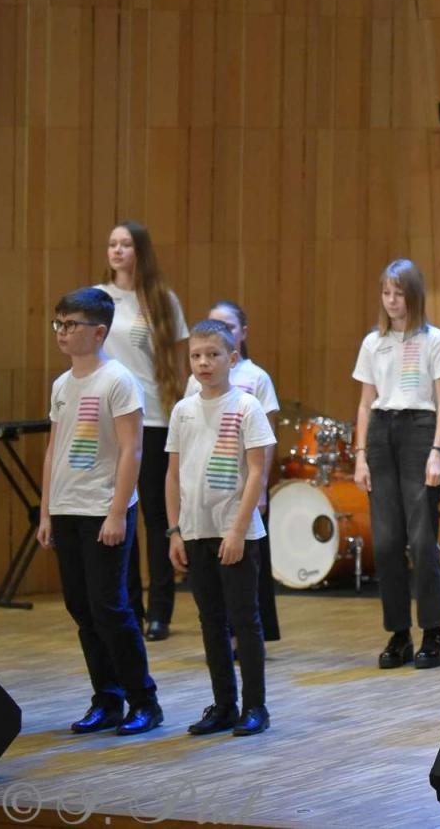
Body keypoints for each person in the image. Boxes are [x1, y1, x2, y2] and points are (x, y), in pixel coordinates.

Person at [37, 286, 162, 736]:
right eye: (59, 324)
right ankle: (106, 699)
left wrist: (116, 513)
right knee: (82, 609)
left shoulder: (117, 380)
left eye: (71, 325)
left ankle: (143, 700)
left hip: (103, 510)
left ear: (99, 331)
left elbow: (132, 450)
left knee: (111, 606)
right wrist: (46, 512)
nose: (62, 333)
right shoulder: (61, 385)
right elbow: (54, 449)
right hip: (67, 508)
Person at [165, 320, 277, 736]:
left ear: (232, 358)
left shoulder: (245, 406)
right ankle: (224, 704)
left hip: (236, 532)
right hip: (195, 530)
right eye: (196, 355)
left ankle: (255, 707)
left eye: (212, 355)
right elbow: (172, 474)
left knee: (244, 620)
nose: (203, 363)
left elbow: (255, 472)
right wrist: (175, 530)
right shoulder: (183, 410)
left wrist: (237, 528)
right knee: (210, 620)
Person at [352, 259, 440, 670]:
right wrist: (360, 455)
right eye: (386, 293)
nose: (392, 301)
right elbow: (365, 403)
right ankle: (398, 633)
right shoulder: (373, 343)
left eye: (399, 292)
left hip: (419, 430)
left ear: (413, 295)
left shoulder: (435, 339)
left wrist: (437, 450)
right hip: (381, 432)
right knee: (386, 540)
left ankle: (433, 632)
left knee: (420, 538)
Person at [99, 221, 189, 642]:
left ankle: (160, 611)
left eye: (126, 244)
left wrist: (182, 414)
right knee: (120, 512)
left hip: (152, 416)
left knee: (154, 515)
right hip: (109, 421)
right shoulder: (98, 300)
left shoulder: (160, 300)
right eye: (113, 244)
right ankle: (128, 606)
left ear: (141, 251)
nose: (118, 251)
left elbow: (175, 366)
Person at [185, 301, 282, 643]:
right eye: (213, 324)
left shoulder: (256, 379)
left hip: (244, 484)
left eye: (227, 326)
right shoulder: (195, 382)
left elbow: (266, 440)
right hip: (208, 491)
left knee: (247, 567)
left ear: (242, 334)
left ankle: (252, 635)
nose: (220, 331)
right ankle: (222, 636)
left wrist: (264, 485)